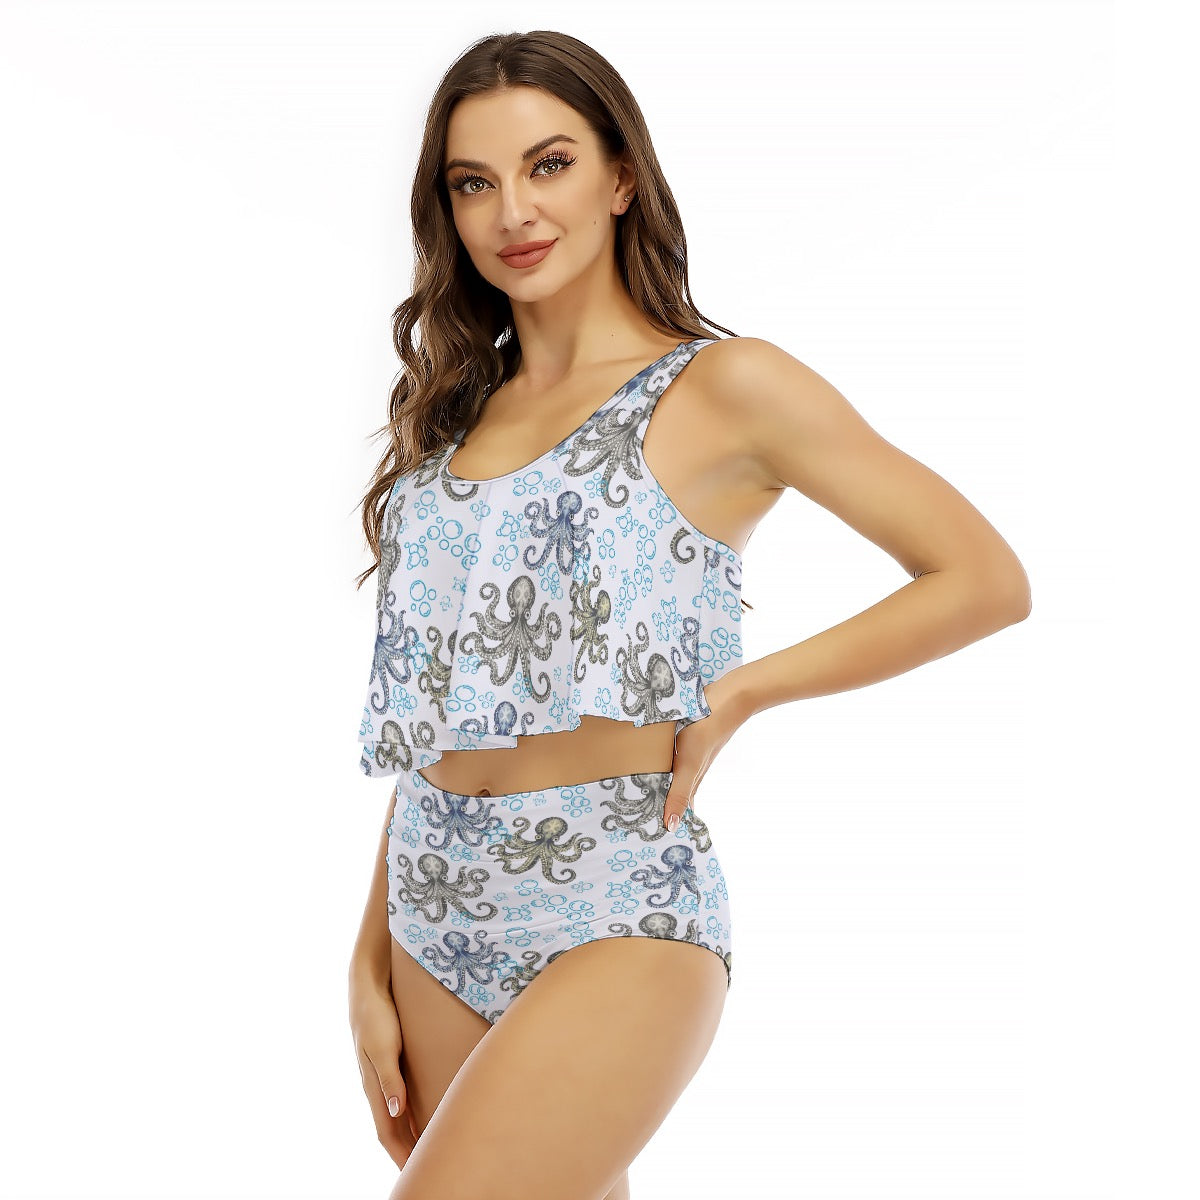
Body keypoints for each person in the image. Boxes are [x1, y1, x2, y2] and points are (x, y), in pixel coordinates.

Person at [346, 30, 1031, 1200]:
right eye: (474, 182)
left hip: (619, 899)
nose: (514, 210)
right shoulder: (453, 418)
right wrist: (368, 951)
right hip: (430, 901)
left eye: (550, 164)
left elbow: (981, 577)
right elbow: (437, 707)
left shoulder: (724, 386)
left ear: (621, 177)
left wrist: (743, 689)